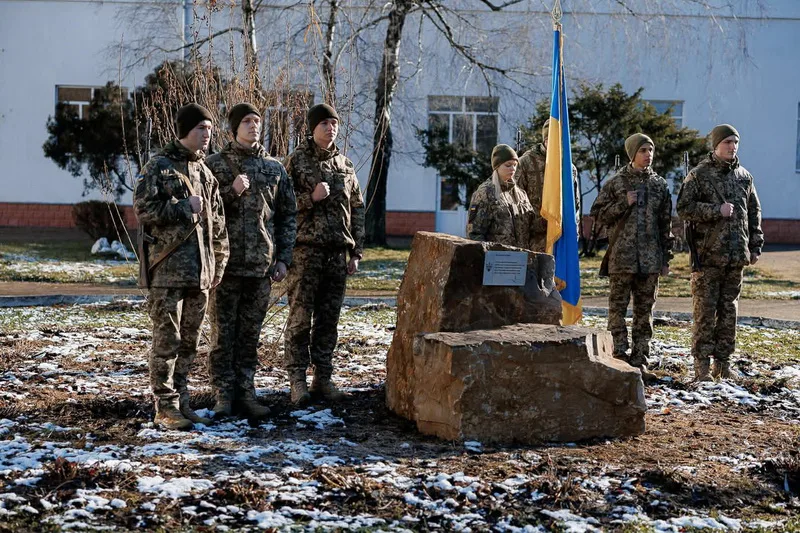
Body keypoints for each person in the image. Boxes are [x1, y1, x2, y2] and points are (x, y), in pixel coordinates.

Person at [134, 103, 229, 430]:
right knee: (167, 341)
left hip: (201, 274)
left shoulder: (206, 173)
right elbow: (143, 209)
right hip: (169, 272)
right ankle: (165, 406)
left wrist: (219, 263)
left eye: (210, 129)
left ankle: (183, 401)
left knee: (189, 342)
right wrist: (181, 206)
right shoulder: (159, 166)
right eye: (201, 128)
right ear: (185, 130)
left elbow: (218, 225)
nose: (207, 135)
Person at [205, 103, 297, 419]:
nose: (253, 125)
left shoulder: (274, 168)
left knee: (248, 337)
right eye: (246, 121)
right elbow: (204, 213)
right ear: (233, 128)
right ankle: (223, 396)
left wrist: (283, 259)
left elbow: (287, 216)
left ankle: (246, 394)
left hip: (260, 267)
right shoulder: (214, 166)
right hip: (224, 268)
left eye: (257, 120)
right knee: (222, 336)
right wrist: (231, 191)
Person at [283, 103, 365, 405]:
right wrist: (310, 198)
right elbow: (281, 206)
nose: (331, 128)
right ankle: (297, 380)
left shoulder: (345, 165)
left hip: (336, 255)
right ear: (312, 128)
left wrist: (356, 250)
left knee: (328, 321)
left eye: (335, 123)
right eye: (324, 124)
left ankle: (323, 377)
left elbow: (357, 208)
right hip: (305, 253)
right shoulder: (296, 161)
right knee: (300, 319)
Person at [677, 124, 763, 382]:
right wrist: (716, 211)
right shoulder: (699, 175)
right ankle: (701, 367)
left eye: (735, 142)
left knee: (729, 312)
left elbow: (754, 213)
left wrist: (755, 245)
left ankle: (723, 365)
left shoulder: (744, 176)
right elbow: (684, 208)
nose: (732, 147)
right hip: (708, 257)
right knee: (705, 312)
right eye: (727, 142)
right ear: (715, 146)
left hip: (736, 256)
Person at [590, 133, 673, 381]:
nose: (648, 154)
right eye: (643, 150)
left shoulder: (660, 185)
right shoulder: (617, 183)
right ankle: (618, 356)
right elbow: (598, 214)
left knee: (644, 313)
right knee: (617, 311)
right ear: (632, 154)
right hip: (622, 259)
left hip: (650, 261)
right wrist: (623, 203)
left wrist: (666, 259)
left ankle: (640, 359)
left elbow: (665, 225)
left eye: (650, 150)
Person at [516, 119, 581, 252]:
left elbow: (575, 204)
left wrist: (574, 233)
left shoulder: (569, 167)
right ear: (545, 140)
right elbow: (516, 203)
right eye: (553, 139)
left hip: (562, 239)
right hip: (533, 241)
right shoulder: (526, 163)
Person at [466, 144, 533, 248]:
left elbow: (532, 227)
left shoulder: (521, 194)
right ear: (497, 166)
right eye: (508, 165)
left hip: (522, 259)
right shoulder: (486, 192)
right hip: (497, 260)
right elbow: (474, 233)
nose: (513, 169)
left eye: (515, 165)